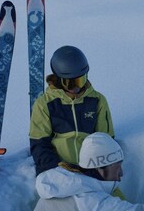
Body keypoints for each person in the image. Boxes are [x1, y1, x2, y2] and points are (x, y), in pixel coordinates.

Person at [29, 45, 114, 176]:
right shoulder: (44, 104)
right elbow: (39, 145)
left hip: (91, 171)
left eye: (80, 81)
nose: (76, 88)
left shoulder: (97, 100)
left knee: (115, 196)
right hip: (57, 173)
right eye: (70, 83)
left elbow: (106, 141)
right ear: (58, 79)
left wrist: (98, 170)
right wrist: (57, 169)